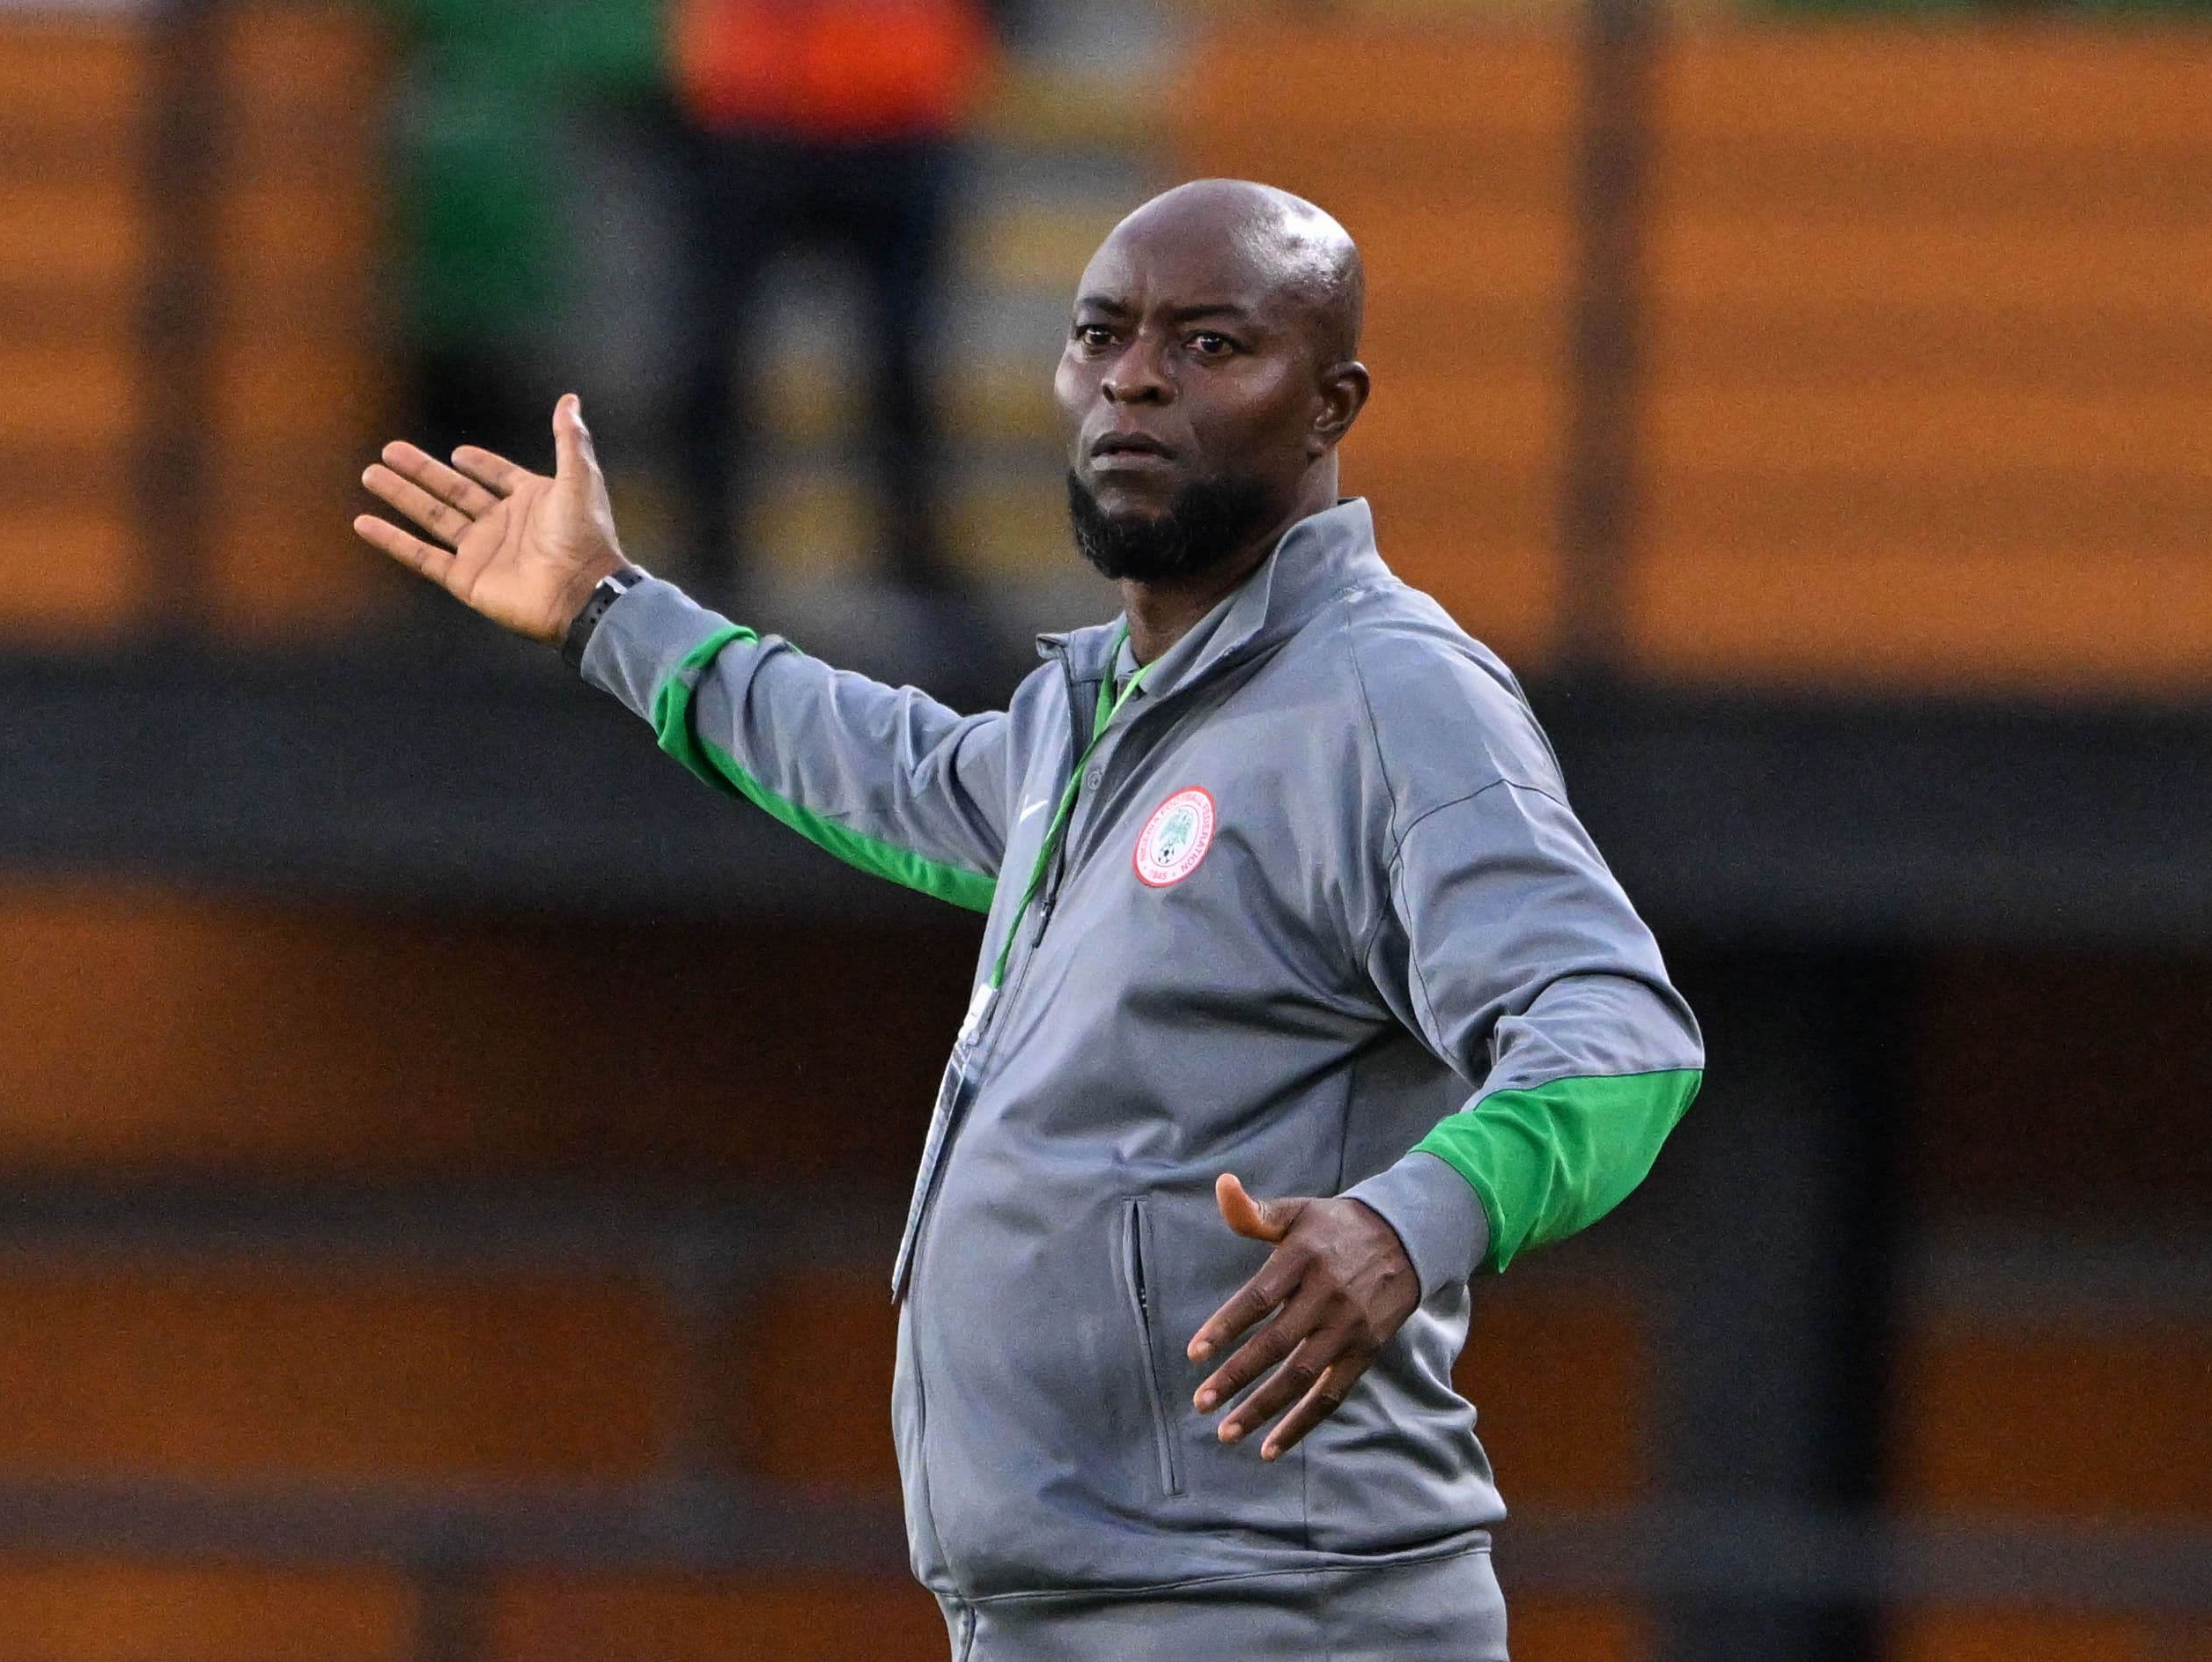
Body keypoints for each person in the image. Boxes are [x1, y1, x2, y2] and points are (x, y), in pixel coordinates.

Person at [353, 180, 1704, 1659]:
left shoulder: (1390, 695)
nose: (1134, 374)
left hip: (1275, 1624)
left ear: (1331, 406)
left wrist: (1407, 1218)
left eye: (1208, 343)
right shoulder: (1097, 711)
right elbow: (894, 770)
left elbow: (1615, 1036)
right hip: (1055, 1616)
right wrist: (613, 611)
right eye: (1103, 335)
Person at [663, 0, 1011, 603]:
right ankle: (708, 558)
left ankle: (913, 559)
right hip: (752, 97)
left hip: (893, 95)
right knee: (713, 356)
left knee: (903, 361)